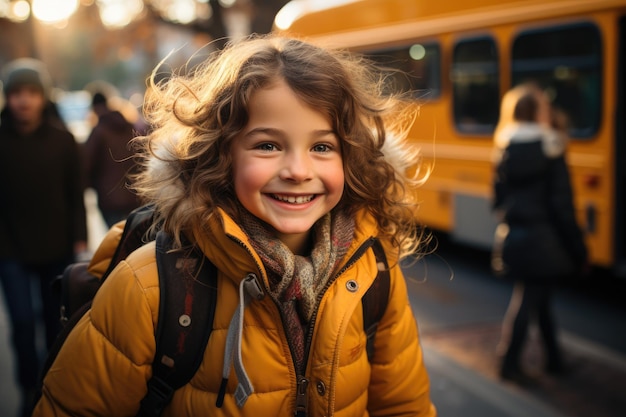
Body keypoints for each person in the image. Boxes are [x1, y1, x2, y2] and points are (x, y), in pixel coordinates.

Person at [33, 34, 437, 416]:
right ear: (222, 154)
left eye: (321, 147)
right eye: (267, 145)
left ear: (350, 157)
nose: (298, 170)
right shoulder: (148, 288)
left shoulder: (374, 272)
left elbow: (405, 405)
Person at [0, 58, 88, 417]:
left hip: (57, 248)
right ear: (7, 97)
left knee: (57, 324)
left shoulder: (64, 141)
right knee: (22, 323)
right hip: (10, 250)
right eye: (17, 93)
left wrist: (80, 243)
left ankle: (49, 389)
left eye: (32, 93)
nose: (24, 100)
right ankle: (26, 390)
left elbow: (76, 197)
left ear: (43, 97)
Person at [491, 83, 588, 384]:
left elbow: (497, 201)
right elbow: (563, 205)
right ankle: (508, 363)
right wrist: (579, 248)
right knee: (530, 299)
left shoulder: (504, 148)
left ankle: (555, 360)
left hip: (516, 237)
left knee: (539, 299)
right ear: (540, 112)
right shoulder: (552, 149)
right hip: (544, 240)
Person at [83, 90, 141, 227]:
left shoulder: (99, 131)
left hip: (109, 199)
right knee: (132, 241)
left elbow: (86, 164)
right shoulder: (130, 127)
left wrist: (91, 185)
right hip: (136, 196)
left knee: (116, 242)